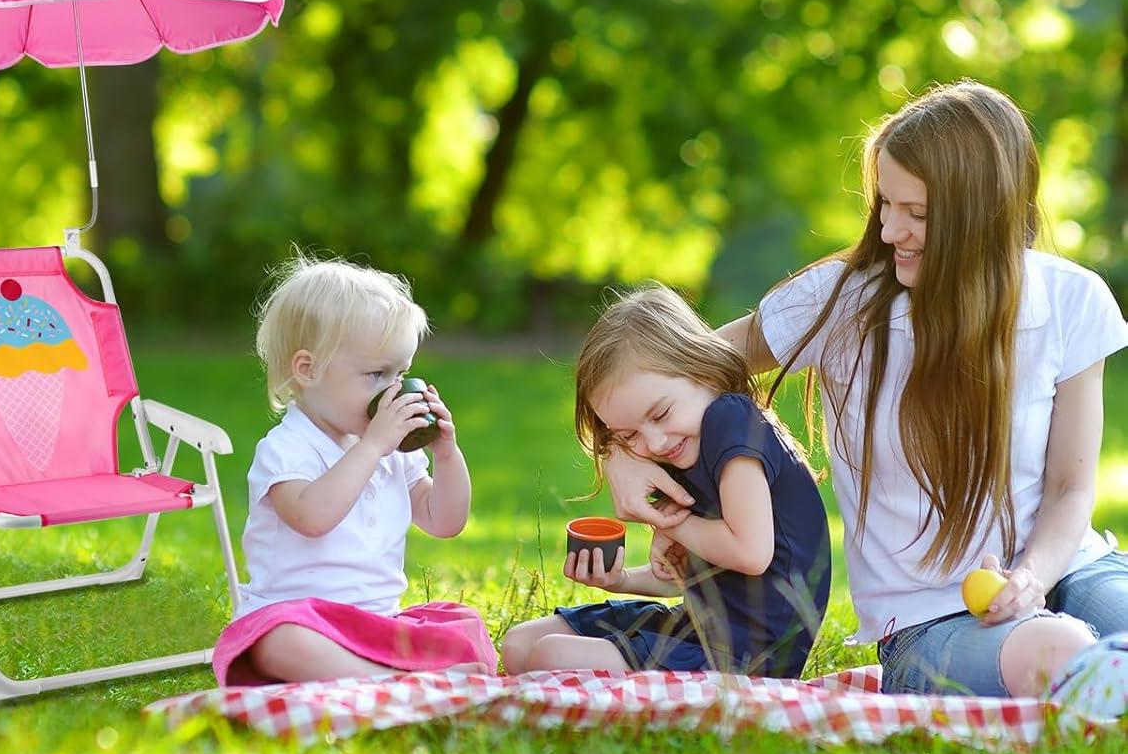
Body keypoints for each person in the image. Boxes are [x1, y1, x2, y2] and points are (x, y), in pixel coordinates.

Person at [603, 81, 1128, 697]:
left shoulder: (1072, 299)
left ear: (984, 214)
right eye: (885, 203)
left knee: (1101, 622)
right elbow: (675, 368)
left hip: (1067, 567)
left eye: (918, 214)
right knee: (1059, 648)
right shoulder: (841, 302)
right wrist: (619, 453)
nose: (889, 230)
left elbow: (1070, 489)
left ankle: (1102, 677)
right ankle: (1094, 677)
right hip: (931, 618)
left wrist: (1031, 579)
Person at [501, 284, 831, 678]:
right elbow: (695, 583)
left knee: (552, 657)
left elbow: (750, 553)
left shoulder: (730, 419)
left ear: (703, 370)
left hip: (746, 657)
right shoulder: (686, 444)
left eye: (660, 414)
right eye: (628, 436)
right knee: (520, 646)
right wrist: (621, 581)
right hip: (701, 628)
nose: (653, 442)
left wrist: (667, 519)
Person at [212, 251, 496, 686]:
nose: (394, 390)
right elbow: (312, 517)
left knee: (462, 623)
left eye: (401, 373)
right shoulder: (286, 449)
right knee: (279, 643)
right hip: (302, 622)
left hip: (376, 624)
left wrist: (446, 454)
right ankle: (391, 680)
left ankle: (388, 670)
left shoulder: (393, 449)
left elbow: (445, 522)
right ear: (307, 370)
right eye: (377, 374)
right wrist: (374, 445)